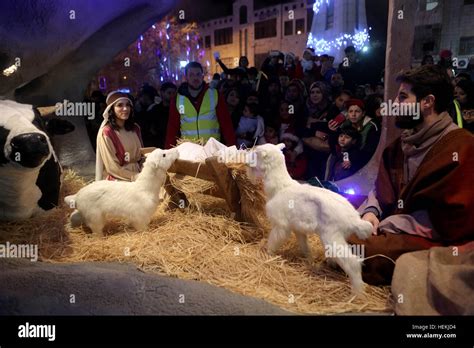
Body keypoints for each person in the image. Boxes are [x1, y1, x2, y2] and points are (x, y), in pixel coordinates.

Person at [349, 64, 474, 285]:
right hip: (393, 224)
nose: (395, 104)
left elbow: (451, 218)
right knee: (343, 215)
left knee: (358, 249)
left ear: (428, 102)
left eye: (403, 97)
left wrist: (389, 225)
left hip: (434, 237)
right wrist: (371, 212)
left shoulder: (462, 146)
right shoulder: (399, 145)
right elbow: (381, 189)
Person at [165, 61, 236, 147]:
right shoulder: (178, 99)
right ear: (186, 77)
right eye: (191, 75)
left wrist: (232, 146)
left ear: (203, 76)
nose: (195, 78)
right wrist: (168, 152)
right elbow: (172, 128)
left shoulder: (214, 95)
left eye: (198, 74)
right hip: (189, 152)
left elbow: (226, 124)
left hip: (212, 150)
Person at [96, 91, 143, 181]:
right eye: (120, 105)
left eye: (128, 105)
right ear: (111, 109)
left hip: (139, 175)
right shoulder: (107, 132)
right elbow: (112, 168)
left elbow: (142, 155)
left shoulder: (135, 128)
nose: (125, 109)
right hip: (119, 181)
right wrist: (136, 177)